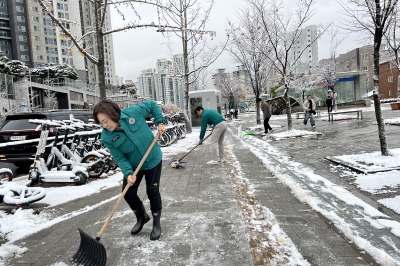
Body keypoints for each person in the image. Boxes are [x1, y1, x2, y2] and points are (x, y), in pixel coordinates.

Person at [93, 100, 166, 241]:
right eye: (101, 123)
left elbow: (151, 105)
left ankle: (156, 223)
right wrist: (128, 173)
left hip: (152, 159)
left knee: (152, 191)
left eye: (105, 121)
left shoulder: (133, 113)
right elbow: (119, 157)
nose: (105, 125)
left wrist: (160, 122)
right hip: (133, 166)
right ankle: (142, 216)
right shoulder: (107, 137)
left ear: (113, 114)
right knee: (128, 193)